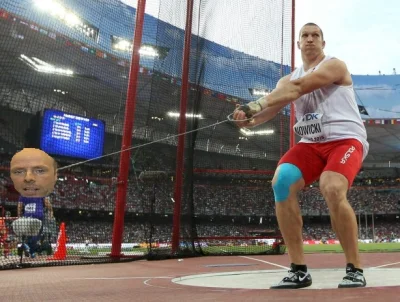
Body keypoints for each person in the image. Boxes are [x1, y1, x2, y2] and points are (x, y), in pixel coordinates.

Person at [233, 23, 368, 289]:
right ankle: (298, 269)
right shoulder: (285, 80)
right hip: (311, 143)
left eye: (315, 35)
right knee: (281, 182)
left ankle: (354, 268)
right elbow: (272, 110)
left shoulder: (334, 66)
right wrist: (250, 120)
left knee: (330, 186)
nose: (309, 39)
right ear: (298, 44)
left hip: (345, 138)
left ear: (323, 43)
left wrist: (257, 103)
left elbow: (298, 89)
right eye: (304, 36)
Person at [11, 148, 57, 257]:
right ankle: (31, 250)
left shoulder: (25, 194)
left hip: (28, 218)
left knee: (29, 236)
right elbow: (48, 206)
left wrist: (19, 216)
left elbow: (19, 206)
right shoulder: (38, 193)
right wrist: (51, 213)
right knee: (35, 235)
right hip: (36, 218)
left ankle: (29, 249)